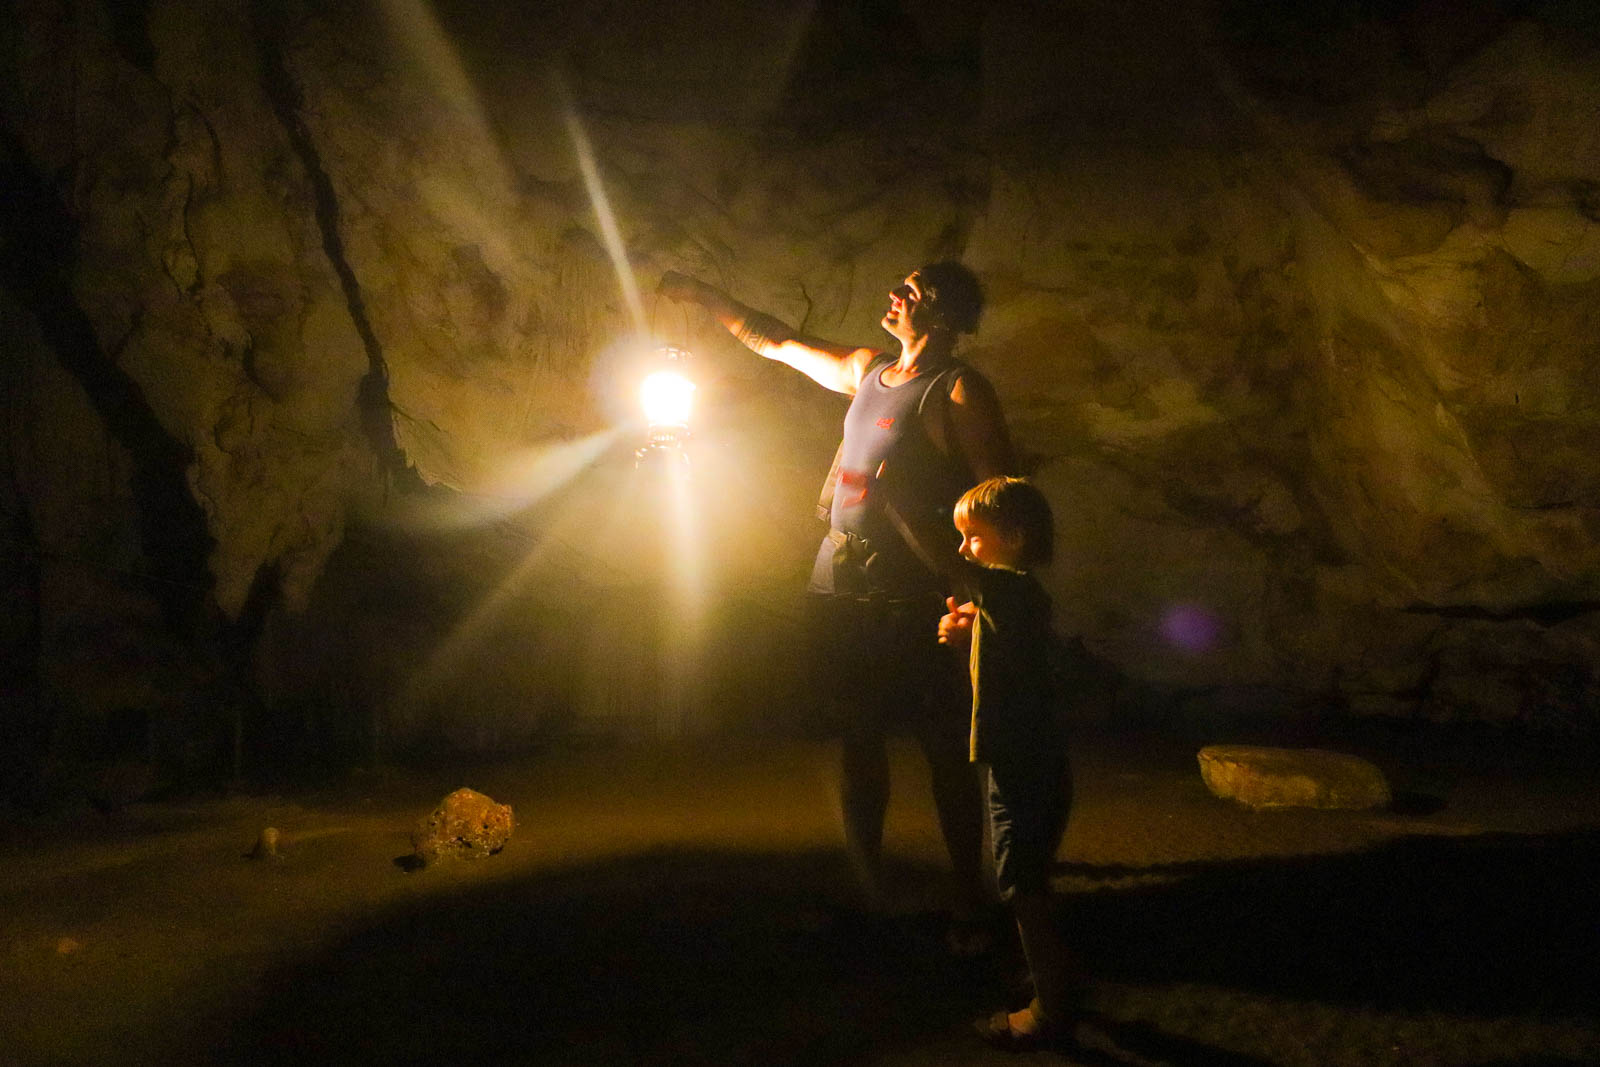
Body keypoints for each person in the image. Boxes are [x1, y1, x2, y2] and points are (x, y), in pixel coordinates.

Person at [659, 262, 1014, 948]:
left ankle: (970, 894)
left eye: (910, 292)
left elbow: (999, 493)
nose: (894, 295)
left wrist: (974, 582)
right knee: (856, 737)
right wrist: (706, 295)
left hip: (915, 593)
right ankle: (868, 883)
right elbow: (776, 340)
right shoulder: (868, 370)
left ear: (940, 315)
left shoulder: (958, 390)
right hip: (842, 582)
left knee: (943, 743)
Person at [937, 476, 1077, 1051]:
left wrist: (881, 499)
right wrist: (964, 636)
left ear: (1013, 538)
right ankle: (1053, 978)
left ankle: (1051, 1008)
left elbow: (942, 562)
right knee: (1026, 877)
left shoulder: (1013, 592)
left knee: (1022, 883)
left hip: (1022, 763)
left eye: (973, 536)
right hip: (1031, 757)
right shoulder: (1016, 599)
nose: (963, 549)